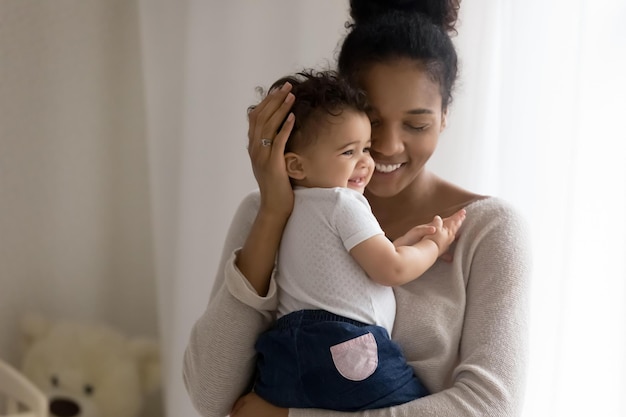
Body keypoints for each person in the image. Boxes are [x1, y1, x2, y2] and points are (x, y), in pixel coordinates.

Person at [183, 1, 531, 416]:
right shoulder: (266, 213)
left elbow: (491, 407)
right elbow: (209, 396)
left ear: (444, 118)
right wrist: (275, 215)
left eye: (416, 125)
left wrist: (287, 416)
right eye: (371, 121)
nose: (386, 147)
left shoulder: (487, 230)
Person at [248, 70, 466, 411]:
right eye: (349, 152)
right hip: (342, 344)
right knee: (415, 404)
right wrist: (432, 246)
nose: (367, 162)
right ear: (296, 165)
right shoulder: (343, 202)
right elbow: (391, 269)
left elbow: (348, 263)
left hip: (285, 353)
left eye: (366, 148)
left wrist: (402, 241)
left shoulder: (290, 208)